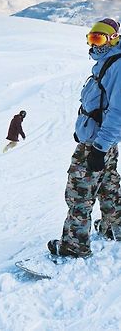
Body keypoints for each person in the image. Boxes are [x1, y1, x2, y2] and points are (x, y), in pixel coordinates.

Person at [48, 18, 121, 258]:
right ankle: (115, 227)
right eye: (91, 38)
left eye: (99, 38)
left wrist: (98, 148)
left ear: (113, 39)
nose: (94, 44)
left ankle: (74, 247)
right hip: (101, 140)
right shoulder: (107, 63)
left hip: (98, 143)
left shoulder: (117, 67)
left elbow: (118, 113)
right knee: (108, 186)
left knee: (79, 192)